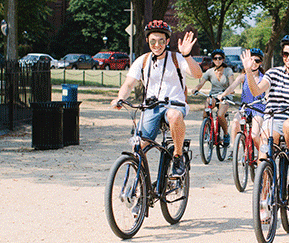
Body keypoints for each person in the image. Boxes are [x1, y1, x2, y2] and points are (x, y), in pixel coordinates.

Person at [111, 20, 202, 177]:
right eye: (153, 41)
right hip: (151, 107)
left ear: (167, 41)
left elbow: (198, 74)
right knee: (138, 147)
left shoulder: (177, 58)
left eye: (161, 41)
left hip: (174, 104)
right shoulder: (143, 60)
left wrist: (187, 55)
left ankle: (178, 156)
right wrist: (120, 97)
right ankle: (140, 185)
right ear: (148, 41)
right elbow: (128, 84)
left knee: (174, 115)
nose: (157, 45)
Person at [242, 34, 289, 186]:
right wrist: (248, 71)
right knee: (265, 150)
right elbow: (256, 91)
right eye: (285, 54)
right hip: (273, 119)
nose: (288, 58)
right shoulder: (273, 73)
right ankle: (265, 194)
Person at [219, 48, 267, 154]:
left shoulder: (264, 78)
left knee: (254, 135)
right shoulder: (243, 77)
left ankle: (262, 155)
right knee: (235, 122)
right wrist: (223, 94)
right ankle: (234, 149)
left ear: (261, 63)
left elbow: (268, 93)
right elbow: (232, 87)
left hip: (258, 108)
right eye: (251, 60)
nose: (254, 63)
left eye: (257, 61)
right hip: (245, 108)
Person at [193, 49, 236, 150]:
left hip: (225, 95)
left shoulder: (228, 70)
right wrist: (196, 89)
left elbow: (232, 83)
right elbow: (201, 83)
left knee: (220, 115)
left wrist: (231, 90)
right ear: (213, 60)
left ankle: (226, 135)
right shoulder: (209, 71)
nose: (217, 60)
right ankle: (207, 130)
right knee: (205, 111)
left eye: (220, 58)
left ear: (223, 59)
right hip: (214, 95)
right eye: (215, 58)